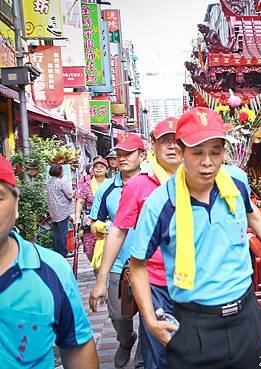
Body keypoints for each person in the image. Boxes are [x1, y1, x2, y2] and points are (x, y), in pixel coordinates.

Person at [128, 107, 261, 369]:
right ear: (181, 151)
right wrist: (150, 319)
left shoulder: (235, 181)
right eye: (198, 152)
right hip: (194, 325)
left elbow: (250, 211)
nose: (208, 162)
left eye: (215, 152)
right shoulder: (161, 204)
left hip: (246, 318)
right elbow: (137, 264)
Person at [90, 117, 181, 369]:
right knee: (158, 349)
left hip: (195, 284)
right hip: (154, 283)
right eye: (165, 141)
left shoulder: (202, 180)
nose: (172, 146)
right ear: (153, 146)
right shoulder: (139, 185)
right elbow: (117, 232)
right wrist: (100, 281)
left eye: (177, 140)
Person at [0, 155, 99, 368]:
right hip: (63, 214)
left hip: (55, 215)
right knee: (61, 237)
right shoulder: (63, 183)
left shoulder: (51, 271)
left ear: (16, 204)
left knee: (58, 238)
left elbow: (77, 348)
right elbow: (72, 196)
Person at [90, 134, 145, 368]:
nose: (121, 158)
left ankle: (143, 359)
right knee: (119, 317)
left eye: (128, 153)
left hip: (148, 264)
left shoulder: (153, 184)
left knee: (149, 315)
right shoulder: (107, 189)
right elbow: (94, 222)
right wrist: (99, 228)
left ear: (142, 156)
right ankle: (125, 341)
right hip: (117, 264)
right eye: (119, 154)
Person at [74, 156, 109, 261]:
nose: (98, 168)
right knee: (90, 250)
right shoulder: (86, 186)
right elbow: (80, 201)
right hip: (91, 221)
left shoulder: (111, 184)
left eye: (101, 166)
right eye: (96, 167)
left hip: (108, 220)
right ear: (92, 170)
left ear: (106, 169)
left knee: (109, 248)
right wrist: (77, 218)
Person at [46, 163, 74, 257]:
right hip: (62, 211)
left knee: (56, 233)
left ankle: (57, 252)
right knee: (62, 233)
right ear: (59, 172)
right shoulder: (61, 182)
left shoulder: (49, 182)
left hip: (53, 211)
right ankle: (63, 252)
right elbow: (69, 196)